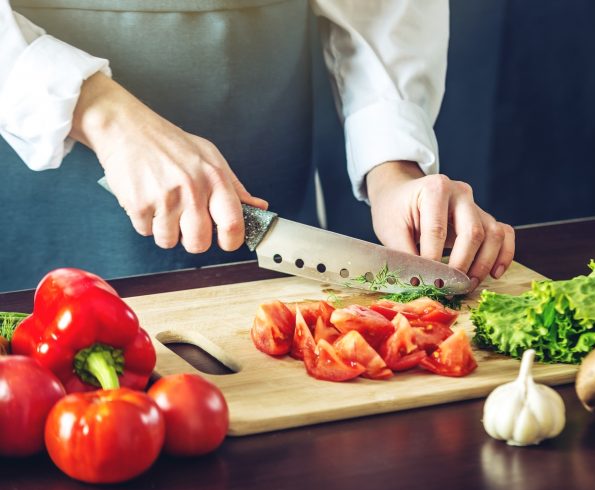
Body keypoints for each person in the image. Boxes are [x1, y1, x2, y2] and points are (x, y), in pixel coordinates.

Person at [0, 0, 514, 293]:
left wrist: (393, 170)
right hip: (39, 175)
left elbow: (382, 10)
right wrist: (98, 110)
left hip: (267, 149)